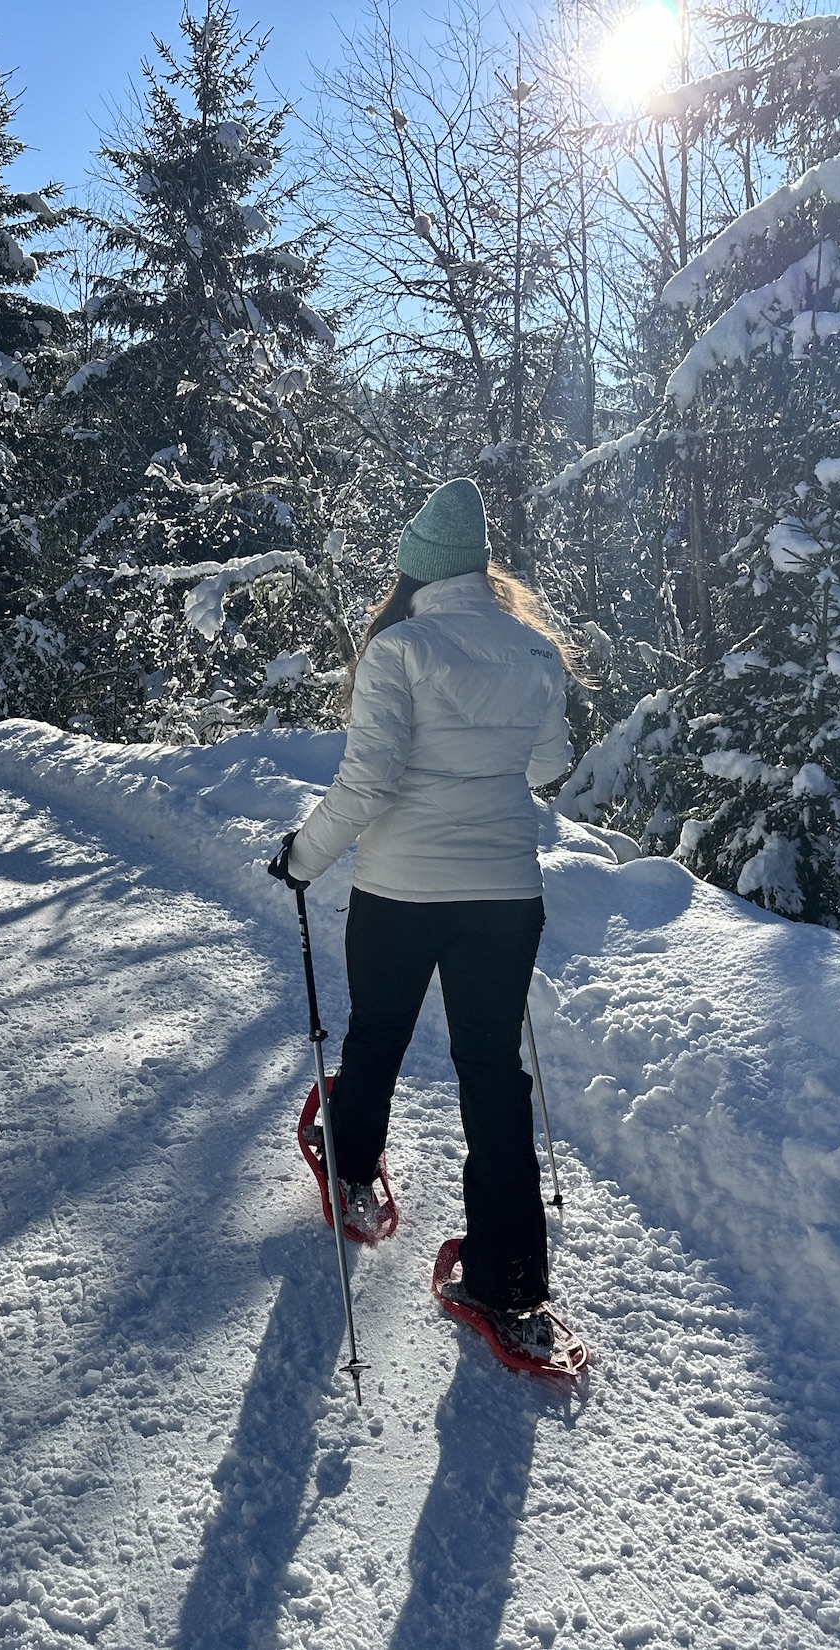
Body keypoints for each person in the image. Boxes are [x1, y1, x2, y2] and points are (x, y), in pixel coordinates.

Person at [267, 477, 576, 1359]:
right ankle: (509, 1281)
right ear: (480, 569)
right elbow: (546, 767)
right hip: (506, 896)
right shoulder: (535, 654)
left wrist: (302, 860)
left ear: (414, 573)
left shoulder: (400, 649)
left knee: (376, 1038)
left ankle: (353, 1164)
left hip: (401, 891)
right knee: (492, 1075)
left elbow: (369, 780)